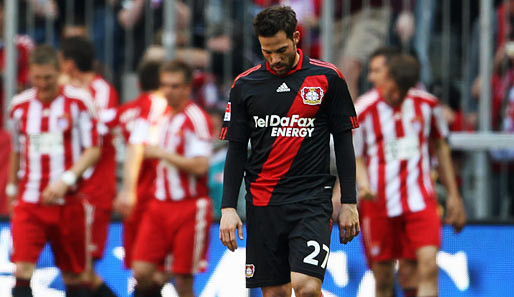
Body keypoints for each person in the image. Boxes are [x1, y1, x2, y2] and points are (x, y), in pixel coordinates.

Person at [219, 6, 360, 297]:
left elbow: (344, 144)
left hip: (311, 200)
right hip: (263, 201)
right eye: (266, 51)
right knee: (275, 294)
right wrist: (228, 207)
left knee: (306, 287)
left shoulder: (327, 79)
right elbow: (235, 150)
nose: (275, 59)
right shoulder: (245, 85)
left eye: (281, 50)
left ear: (296, 38)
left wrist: (349, 202)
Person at [352, 53, 467, 297]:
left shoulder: (428, 106)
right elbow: (356, 155)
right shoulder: (363, 110)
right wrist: (363, 184)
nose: (396, 97)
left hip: (420, 200)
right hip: (378, 203)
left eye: (402, 92)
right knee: (382, 277)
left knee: (426, 267)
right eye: (393, 90)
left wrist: (454, 197)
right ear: (386, 78)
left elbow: (441, 148)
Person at [7, 45, 100, 297]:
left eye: (48, 77)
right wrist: (11, 187)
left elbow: (93, 150)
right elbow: (16, 148)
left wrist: (66, 180)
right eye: (36, 78)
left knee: (75, 275)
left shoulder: (79, 102)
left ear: (59, 73)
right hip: (30, 202)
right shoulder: (19, 106)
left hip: (68, 201)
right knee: (22, 269)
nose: (42, 84)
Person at [129, 60, 213, 297]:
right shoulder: (158, 114)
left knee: (183, 281)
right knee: (142, 271)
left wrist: (162, 154)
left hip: (188, 206)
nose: (168, 90)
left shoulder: (196, 119)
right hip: (159, 205)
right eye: (164, 85)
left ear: (187, 88)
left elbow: (200, 165)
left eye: (175, 86)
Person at [59, 35, 119, 297]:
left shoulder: (101, 90)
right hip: (69, 187)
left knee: (82, 270)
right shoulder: (62, 92)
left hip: (94, 190)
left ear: (69, 64)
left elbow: (99, 130)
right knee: (71, 271)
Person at [112, 59, 168, 270]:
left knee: (139, 267)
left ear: (138, 85)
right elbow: (139, 145)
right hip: (154, 194)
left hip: (133, 194)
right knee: (155, 269)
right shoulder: (159, 104)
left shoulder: (124, 111)